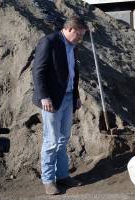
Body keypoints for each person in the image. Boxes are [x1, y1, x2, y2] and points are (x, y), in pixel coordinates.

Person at [32, 16, 88, 195]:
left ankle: (62, 176)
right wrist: (44, 97)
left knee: (63, 139)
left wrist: (76, 95)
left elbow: (73, 73)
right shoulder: (49, 42)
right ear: (70, 29)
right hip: (52, 100)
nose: (80, 39)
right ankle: (48, 180)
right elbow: (38, 71)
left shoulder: (73, 46)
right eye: (79, 35)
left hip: (68, 97)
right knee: (51, 141)